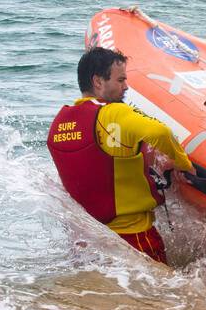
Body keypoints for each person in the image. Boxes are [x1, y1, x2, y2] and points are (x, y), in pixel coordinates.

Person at [48, 47, 193, 263]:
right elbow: (160, 132)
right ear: (98, 82)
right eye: (120, 80)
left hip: (88, 240)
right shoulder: (113, 112)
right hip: (133, 236)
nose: (126, 87)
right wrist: (183, 163)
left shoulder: (60, 123)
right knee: (158, 294)